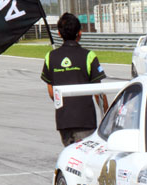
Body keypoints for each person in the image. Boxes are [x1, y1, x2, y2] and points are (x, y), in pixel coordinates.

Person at [41, 13, 107, 146]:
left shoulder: (50, 57)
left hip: (63, 121)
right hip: (85, 120)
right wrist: (106, 115)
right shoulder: (89, 56)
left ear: (59, 33)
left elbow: (51, 92)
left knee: (69, 155)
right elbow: (98, 92)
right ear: (80, 33)